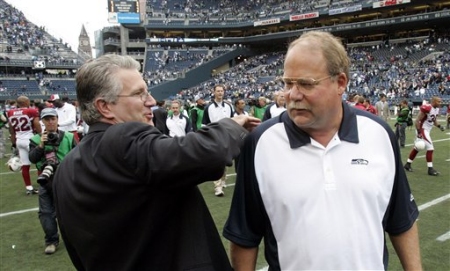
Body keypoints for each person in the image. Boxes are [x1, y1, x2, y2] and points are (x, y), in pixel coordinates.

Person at [223, 31, 422, 271]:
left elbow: (402, 220)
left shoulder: (379, 134)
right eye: (287, 83)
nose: (293, 95)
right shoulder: (260, 143)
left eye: (306, 84)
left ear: (340, 83)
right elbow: (245, 235)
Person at [52, 54, 260, 271]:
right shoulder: (124, 138)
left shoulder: (65, 170)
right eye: (139, 94)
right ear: (105, 107)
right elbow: (206, 154)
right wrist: (232, 125)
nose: (151, 101)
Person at [29, 108, 77, 255]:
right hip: (46, 180)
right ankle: (51, 241)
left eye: (52, 118)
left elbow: (78, 155)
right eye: (47, 119)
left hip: (65, 178)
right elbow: (32, 159)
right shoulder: (36, 139)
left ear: (57, 119)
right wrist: (41, 146)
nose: (50, 122)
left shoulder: (68, 136)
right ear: (42, 121)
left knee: (71, 211)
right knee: (46, 213)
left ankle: (75, 239)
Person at [202, 84, 234, 197]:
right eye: (218, 91)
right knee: (217, 161)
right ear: (214, 92)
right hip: (215, 137)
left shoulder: (228, 107)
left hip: (227, 136)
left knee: (225, 161)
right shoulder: (209, 108)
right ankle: (218, 187)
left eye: (222, 91)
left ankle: (222, 181)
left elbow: (232, 122)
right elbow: (204, 124)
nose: (220, 93)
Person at [7, 96, 42, 194]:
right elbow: (37, 124)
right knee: (40, 162)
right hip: (30, 140)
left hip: (19, 140)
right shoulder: (31, 111)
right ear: (26, 102)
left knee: (25, 165)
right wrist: (41, 135)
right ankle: (43, 185)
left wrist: (14, 143)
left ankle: (29, 188)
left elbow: (11, 130)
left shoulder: (10, 112)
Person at [404, 96, 445, 176]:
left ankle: (407, 164)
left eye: (440, 101)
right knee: (430, 148)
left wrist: (439, 126)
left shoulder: (436, 109)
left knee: (417, 148)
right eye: (438, 101)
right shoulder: (427, 108)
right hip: (422, 129)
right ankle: (430, 169)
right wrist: (419, 132)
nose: (440, 103)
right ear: (433, 101)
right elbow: (417, 120)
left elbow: (434, 119)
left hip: (427, 130)